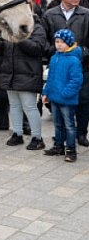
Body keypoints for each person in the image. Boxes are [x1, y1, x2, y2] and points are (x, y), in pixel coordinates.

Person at [41, 0, 89, 147]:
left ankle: (81, 133)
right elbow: (44, 38)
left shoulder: (86, 14)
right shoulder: (50, 14)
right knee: (59, 101)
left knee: (83, 100)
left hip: (82, 65)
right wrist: (51, 52)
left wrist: (83, 52)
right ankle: (60, 138)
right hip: (58, 64)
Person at [0, 14, 47, 150]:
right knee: (14, 106)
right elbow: (2, 52)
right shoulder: (10, 28)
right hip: (10, 73)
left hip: (27, 73)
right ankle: (17, 134)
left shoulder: (37, 28)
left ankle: (37, 138)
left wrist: (19, 37)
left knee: (29, 107)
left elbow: (37, 48)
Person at [42, 29, 83, 162]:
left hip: (66, 100)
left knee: (69, 125)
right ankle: (58, 146)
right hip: (54, 98)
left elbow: (76, 80)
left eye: (62, 42)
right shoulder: (55, 58)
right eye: (57, 42)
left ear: (69, 43)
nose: (58, 45)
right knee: (58, 124)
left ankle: (71, 150)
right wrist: (46, 92)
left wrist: (65, 93)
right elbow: (51, 78)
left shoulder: (73, 60)